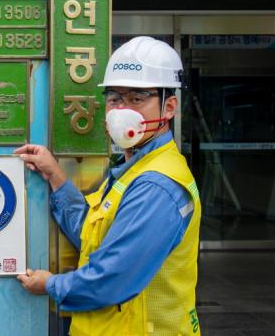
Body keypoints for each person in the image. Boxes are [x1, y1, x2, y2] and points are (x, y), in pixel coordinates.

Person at [16, 37, 201, 336]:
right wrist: (56, 176)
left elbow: (111, 279)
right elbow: (94, 238)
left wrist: (50, 285)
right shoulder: (134, 170)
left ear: (169, 107)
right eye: (114, 99)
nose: (121, 111)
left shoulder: (156, 185)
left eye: (137, 99)